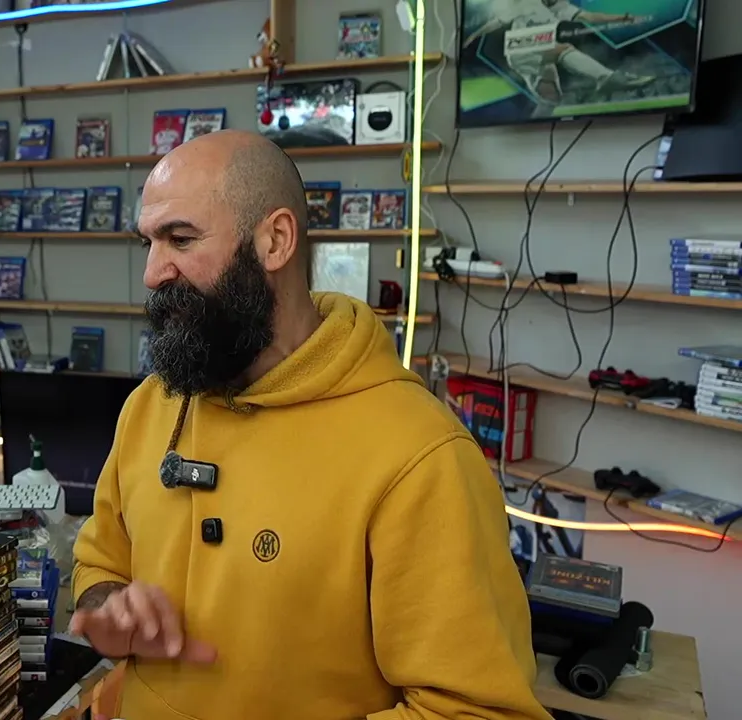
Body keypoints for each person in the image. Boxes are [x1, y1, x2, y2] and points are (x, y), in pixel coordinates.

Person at [69, 129, 551, 720]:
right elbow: (101, 560)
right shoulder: (151, 406)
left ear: (275, 240)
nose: (151, 273)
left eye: (181, 239)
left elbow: (478, 712)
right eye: (148, 242)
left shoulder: (421, 454)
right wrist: (110, 605)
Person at [463, 0, 652, 112]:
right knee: (562, 48)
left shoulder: (562, 7)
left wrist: (622, 18)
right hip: (518, 47)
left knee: (553, 97)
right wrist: (473, 36)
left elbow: (590, 17)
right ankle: (607, 78)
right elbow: (496, 22)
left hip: (536, 54)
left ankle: (538, 93)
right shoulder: (526, 3)